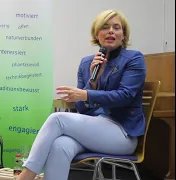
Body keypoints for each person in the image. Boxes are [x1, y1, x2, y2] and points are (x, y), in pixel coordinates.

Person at [17, 9, 146, 180]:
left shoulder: (134, 59)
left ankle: (26, 176)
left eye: (117, 28)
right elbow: (81, 109)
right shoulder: (87, 63)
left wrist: (87, 94)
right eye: (105, 27)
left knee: (58, 118)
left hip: (123, 134)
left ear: (124, 35)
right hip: (96, 128)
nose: (111, 32)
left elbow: (125, 96)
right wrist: (92, 83)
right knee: (59, 145)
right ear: (96, 33)